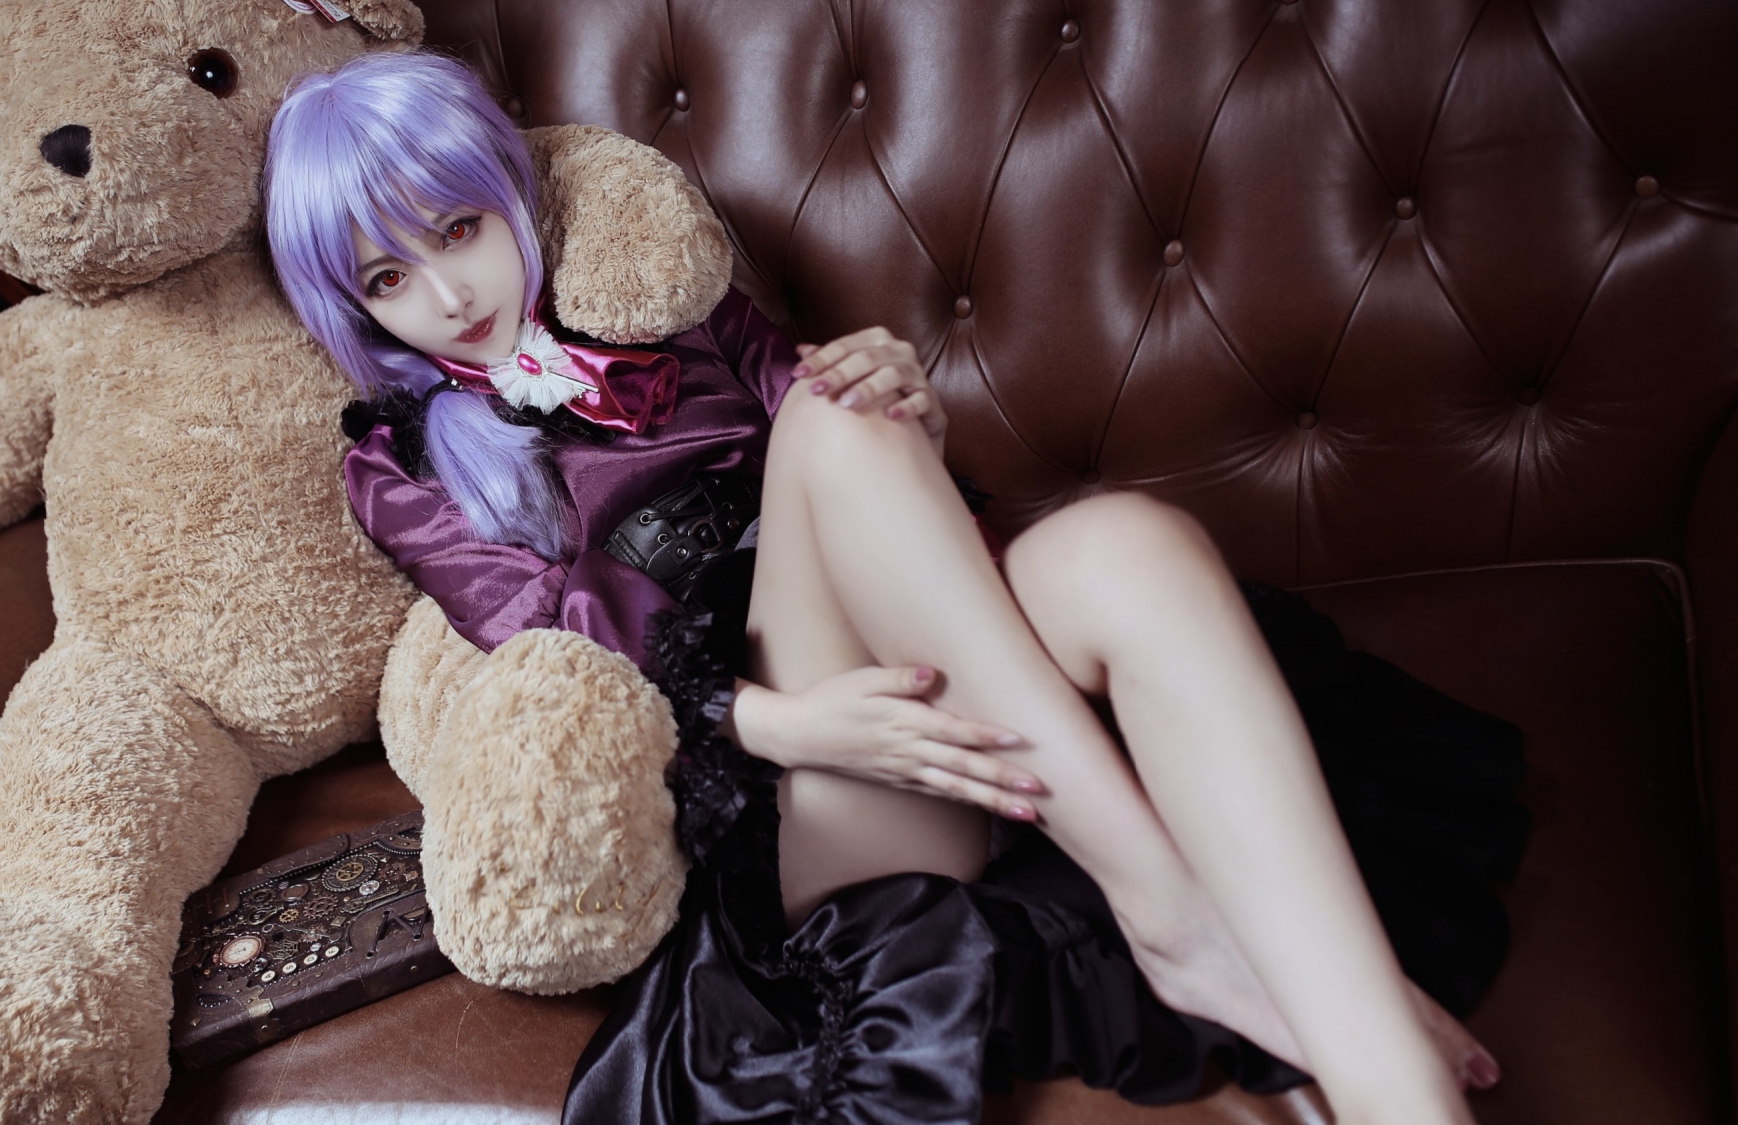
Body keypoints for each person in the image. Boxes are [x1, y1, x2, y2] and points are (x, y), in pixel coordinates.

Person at [264, 50, 1528, 1125]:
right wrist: (779, 722)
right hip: (789, 788)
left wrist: (909, 416)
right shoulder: (395, 465)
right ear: (349, 308)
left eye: (458, 229)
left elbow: (869, 495)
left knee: (1124, 543)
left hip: (955, 700)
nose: (449, 297)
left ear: (509, 194)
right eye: (387, 279)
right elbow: (559, 652)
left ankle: (1390, 1084)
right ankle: (1168, 907)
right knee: (825, 422)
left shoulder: (672, 316)